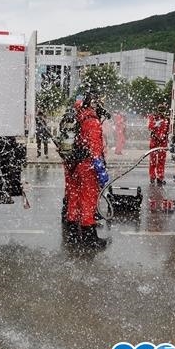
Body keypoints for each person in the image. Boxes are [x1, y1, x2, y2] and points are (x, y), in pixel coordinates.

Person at [66, 89, 109, 245]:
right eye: (99, 102)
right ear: (93, 103)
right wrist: (100, 167)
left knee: (74, 197)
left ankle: (72, 231)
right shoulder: (92, 121)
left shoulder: (79, 115)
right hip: (87, 165)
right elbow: (95, 146)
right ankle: (89, 237)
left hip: (74, 163)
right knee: (88, 199)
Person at [147, 103, 170, 185]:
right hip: (156, 141)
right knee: (153, 160)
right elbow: (150, 127)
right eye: (160, 110)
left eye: (163, 110)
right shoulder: (154, 117)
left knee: (160, 160)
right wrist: (156, 126)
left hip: (162, 142)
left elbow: (168, 130)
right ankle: (153, 177)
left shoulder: (166, 119)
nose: (161, 112)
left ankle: (159, 177)